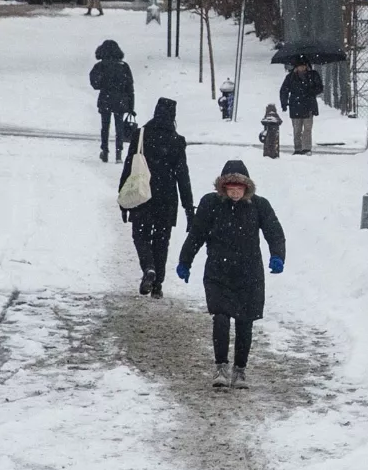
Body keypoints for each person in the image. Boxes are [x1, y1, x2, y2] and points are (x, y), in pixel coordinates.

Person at [175, 159, 286, 389]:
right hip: (219, 272)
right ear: (223, 187)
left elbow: (274, 232)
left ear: (247, 188)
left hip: (249, 274)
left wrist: (277, 256)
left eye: (240, 187)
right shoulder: (211, 204)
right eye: (230, 187)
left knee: (245, 322)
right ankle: (221, 367)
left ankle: (240, 370)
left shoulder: (259, 206)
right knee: (222, 318)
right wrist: (185, 261)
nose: (235, 192)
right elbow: (196, 235)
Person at [119, 97, 193, 298]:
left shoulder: (141, 135)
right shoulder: (177, 141)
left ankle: (148, 268)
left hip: (142, 194)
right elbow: (183, 176)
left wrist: (122, 199)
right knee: (162, 240)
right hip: (167, 198)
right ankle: (158, 285)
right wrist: (189, 208)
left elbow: (129, 166)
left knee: (140, 235)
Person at [89, 39, 135, 162]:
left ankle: (105, 150)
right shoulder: (124, 66)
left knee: (105, 126)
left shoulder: (100, 66)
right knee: (119, 127)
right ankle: (119, 153)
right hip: (121, 100)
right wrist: (131, 106)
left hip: (106, 99)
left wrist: (105, 83)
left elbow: (95, 84)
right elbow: (130, 87)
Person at [278, 60, 324, 155]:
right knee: (297, 129)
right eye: (300, 66)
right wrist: (284, 103)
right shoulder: (291, 77)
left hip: (308, 105)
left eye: (304, 66)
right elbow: (284, 90)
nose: (302, 68)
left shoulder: (313, 75)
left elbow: (319, 87)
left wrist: (311, 91)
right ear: (296, 67)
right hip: (296, 105)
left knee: (307, 129)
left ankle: (306, 148)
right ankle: (298, 148)